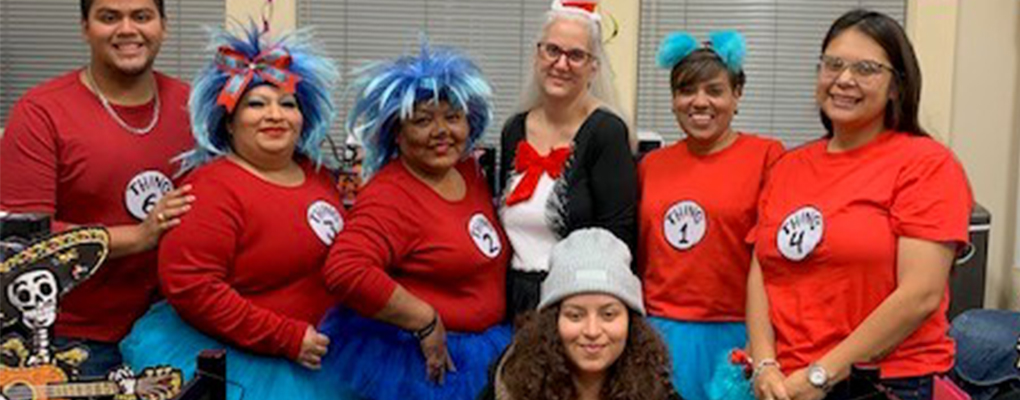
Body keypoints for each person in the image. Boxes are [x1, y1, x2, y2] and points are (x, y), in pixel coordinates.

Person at [117, 24, 354, 399]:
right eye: (256, 104)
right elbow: (195, 288)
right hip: (246, 369)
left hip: (323, 358)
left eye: (287, 104)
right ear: (228, 122)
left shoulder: (320, 176)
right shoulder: (210, 189)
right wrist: (287, 337)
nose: (275, 115)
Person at [747, 9, 973, 400]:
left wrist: (822, 373)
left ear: (896, 87)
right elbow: (761, 271)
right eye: (833, 65)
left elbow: (921, 294)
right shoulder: (788, 167)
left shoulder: (927, 164)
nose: (844, 80)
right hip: (786, 384)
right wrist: (765, 364)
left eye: (866, 68)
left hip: (880, 383)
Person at [0, 0, 193, 377]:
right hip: (72, 340)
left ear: (163, 27)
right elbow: (21, 241)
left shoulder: (193, 105)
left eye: (142, 16)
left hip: (173, 330)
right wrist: (138, 236)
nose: (127, 29)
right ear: (85, 27)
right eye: (109, 17)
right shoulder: (41, 112)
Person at [318, 40, 511, 400]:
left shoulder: (468, 171)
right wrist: (424, 319)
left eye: (452, 117)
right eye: (422, 120)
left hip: (485, 347)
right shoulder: (391, 195)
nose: (442, 131)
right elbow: (345, 269)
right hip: (425, 366)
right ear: (396, 131)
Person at [638, 30, 785, 400]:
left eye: (715, 91)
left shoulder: (767, 156)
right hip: (659, 334)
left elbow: (776, 258)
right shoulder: (650, 165)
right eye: (687, 91)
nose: (699, 102)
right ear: (673, 100)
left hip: (737, 333)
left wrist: (762, 342)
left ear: (737, 96)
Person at [499, 0, 638, 321]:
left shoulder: (605, 131)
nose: (561, 64)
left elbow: (617, 240)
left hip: (572, 302)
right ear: (537, 55)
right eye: (552, 50)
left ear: (594, 66)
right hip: (512, 300)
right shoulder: (514, 130)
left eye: (576, 55)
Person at [483, 228, 679, 400]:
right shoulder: (511, 384)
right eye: (575, 316)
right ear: (553, 321)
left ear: (630, 321)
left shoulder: (656, 390)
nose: (592, 331)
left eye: (608, 314)